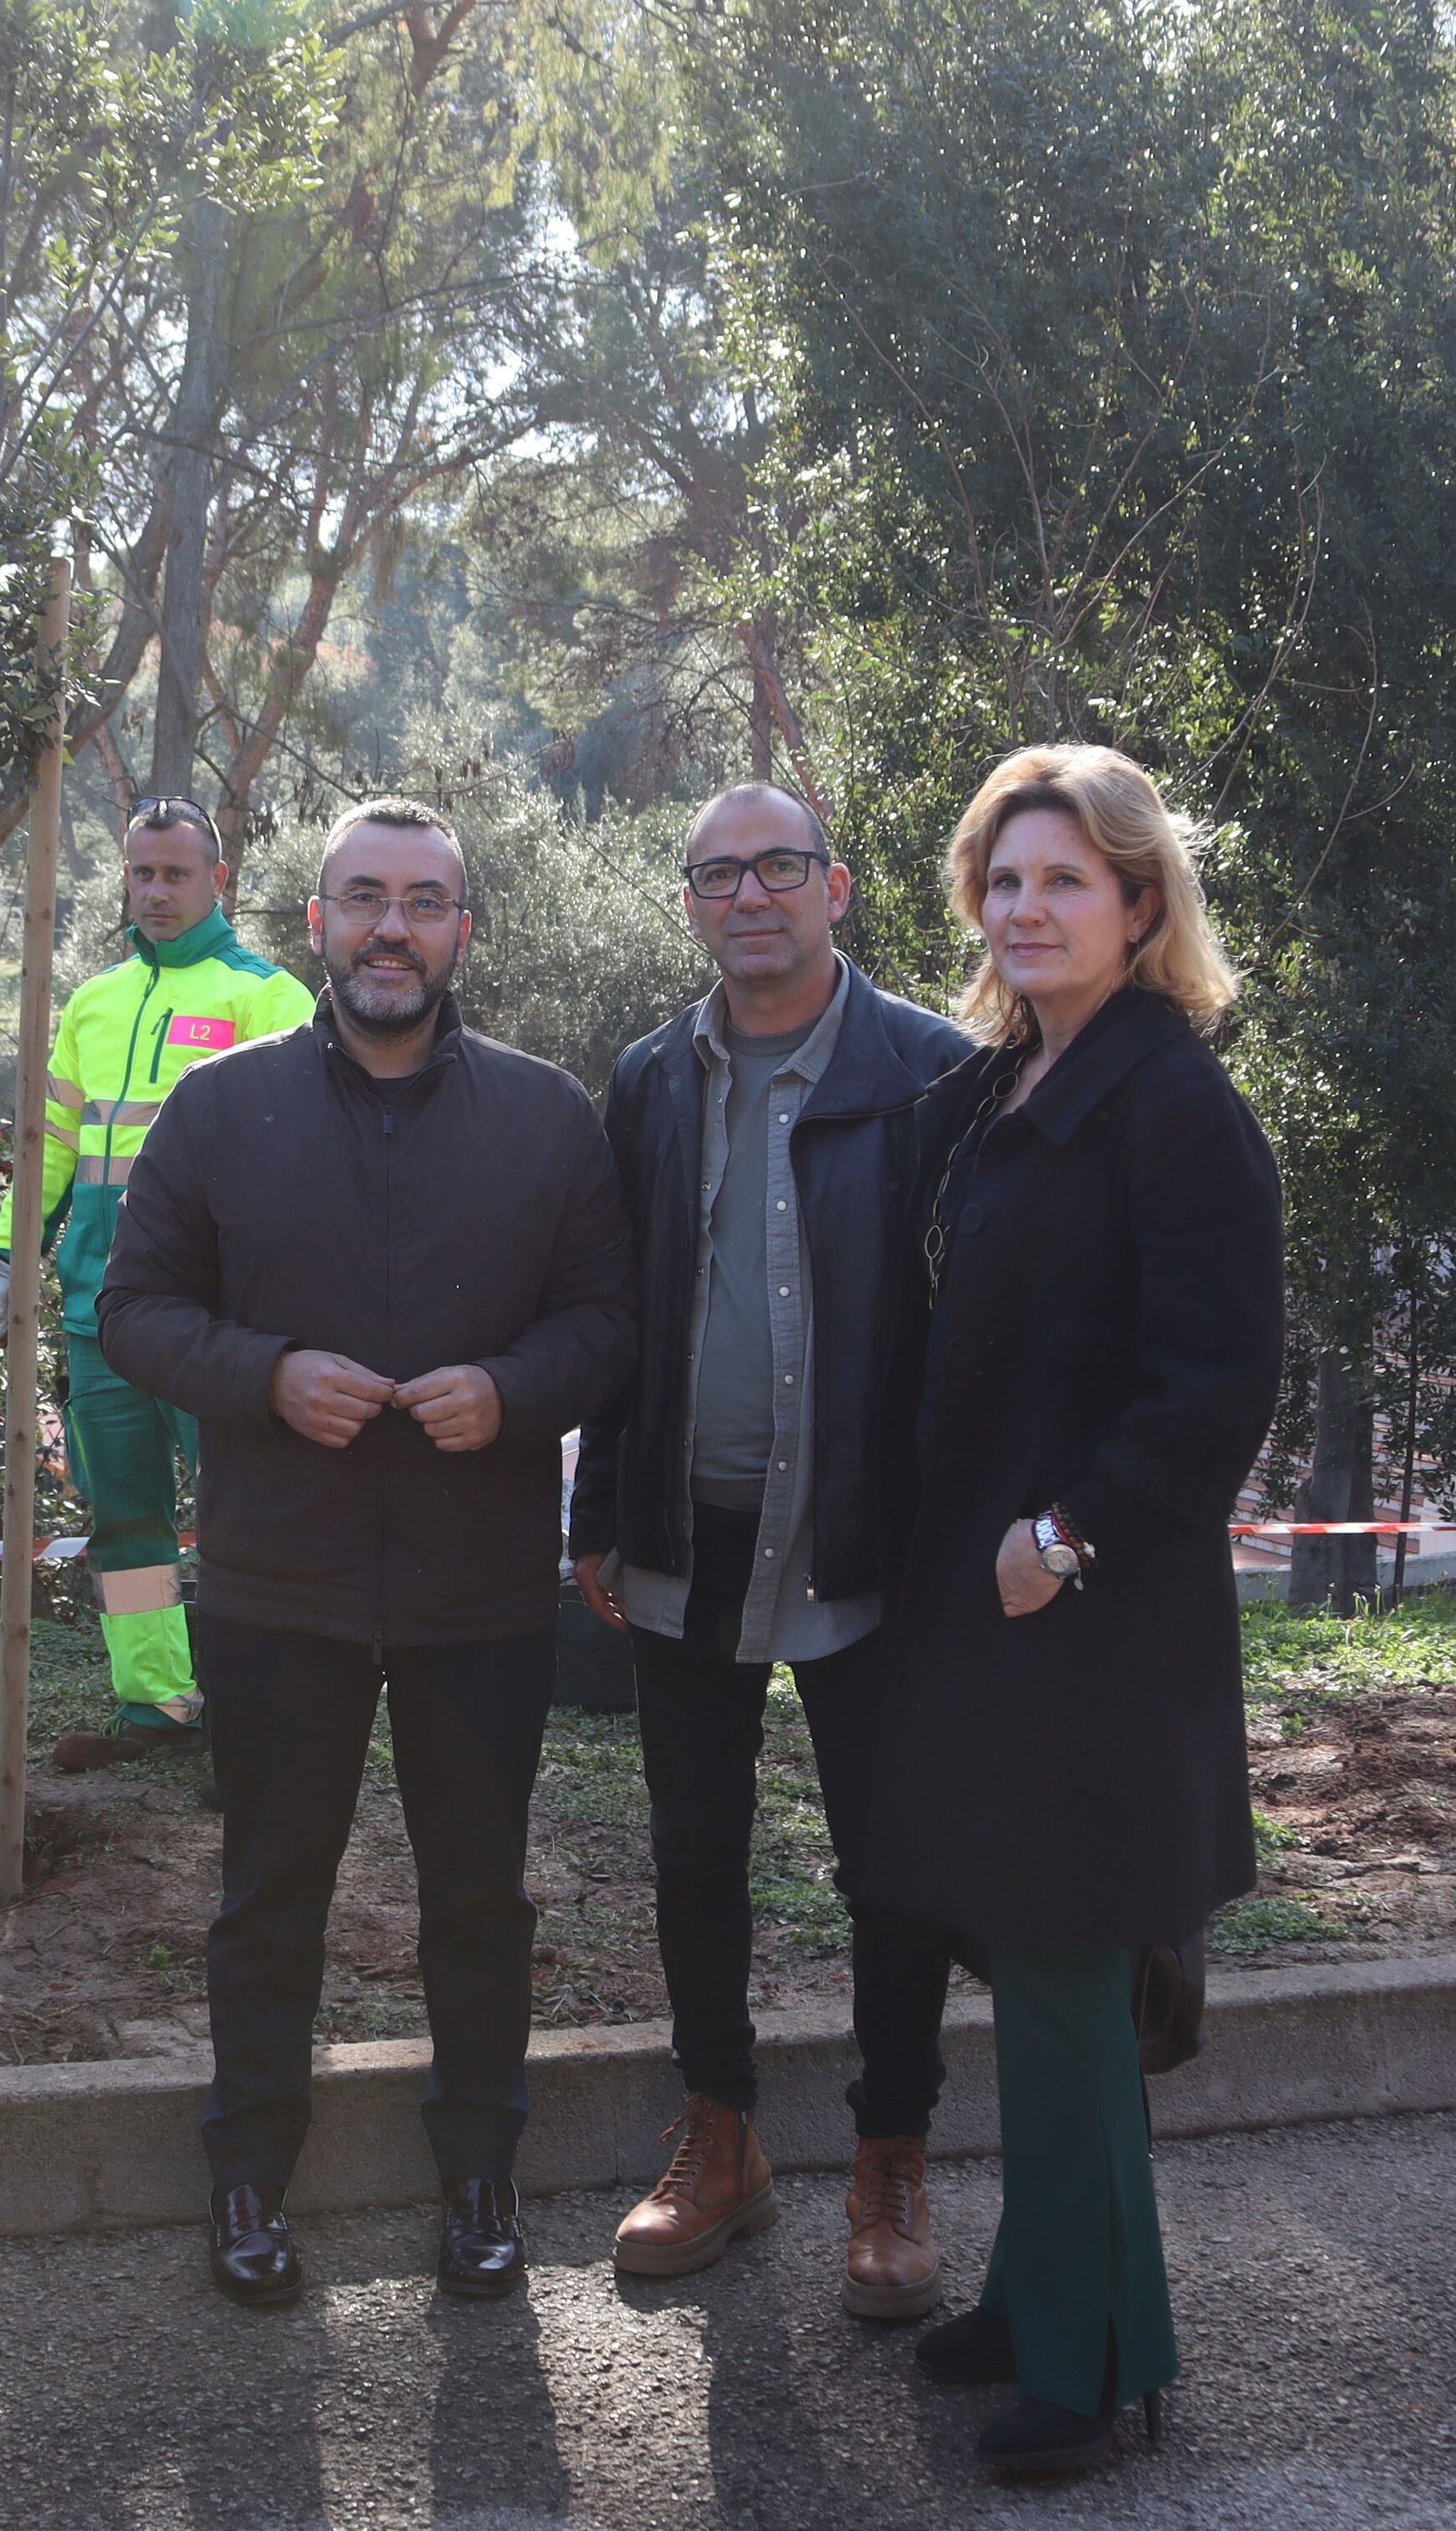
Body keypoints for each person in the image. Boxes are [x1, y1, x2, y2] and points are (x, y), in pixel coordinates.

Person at [97, 795, 635, 2306]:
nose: (390, 927)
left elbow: (609, 1320)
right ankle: (249, 2177)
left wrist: (515, 1391)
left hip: (479, 1592)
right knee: (271, 1896)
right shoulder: (222, 1108)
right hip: (279, 1586)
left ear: (466, 926)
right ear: (317, 917)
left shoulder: (546, 1113)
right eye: (361, 898)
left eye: (422, 900)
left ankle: (481, 2179)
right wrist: (265, 1373)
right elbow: (136, 1307)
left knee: (480, 1899)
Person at [873, 745, 1281, 2478]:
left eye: (1064, 879)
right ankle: (1042, 2285)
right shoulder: (996, 1090)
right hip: (979, 1613)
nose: (1026, 907)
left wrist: (1067, 1533)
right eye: (1004, 878)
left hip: (1089, 1619)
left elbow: (1213, 1389)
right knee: (1024, 1964)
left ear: (1139, 904)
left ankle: (1098, 2359)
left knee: (1061, 1982)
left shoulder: (1177, 1107)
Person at [567, 785, 973, 2299]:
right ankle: (722, 2134)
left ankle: (891, 2157)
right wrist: (599, 1509)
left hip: (872, 1539)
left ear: (838, 887)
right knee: (695, 1853)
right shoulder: (647, 1081)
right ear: (689, 902)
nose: (751, 894)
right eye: (718, 872)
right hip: (689, 1532)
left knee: (893, 1861)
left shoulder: (933, 1072)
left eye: (779, 866)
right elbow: (622, 1319)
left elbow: (969, 1328)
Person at [0, 795, 314, 1745]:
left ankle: (259, 1716)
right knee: (125, 1520)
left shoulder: (269, 999)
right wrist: (7, 1258)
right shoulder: (93, 1001)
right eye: (140, 872)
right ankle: (156, 1700)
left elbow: (295, 1174)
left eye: (174, 872)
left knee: (244, 1522)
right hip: (98, 1311)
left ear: (218, 879)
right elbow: (49, 1146)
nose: (155, 890)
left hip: (215, 1321)